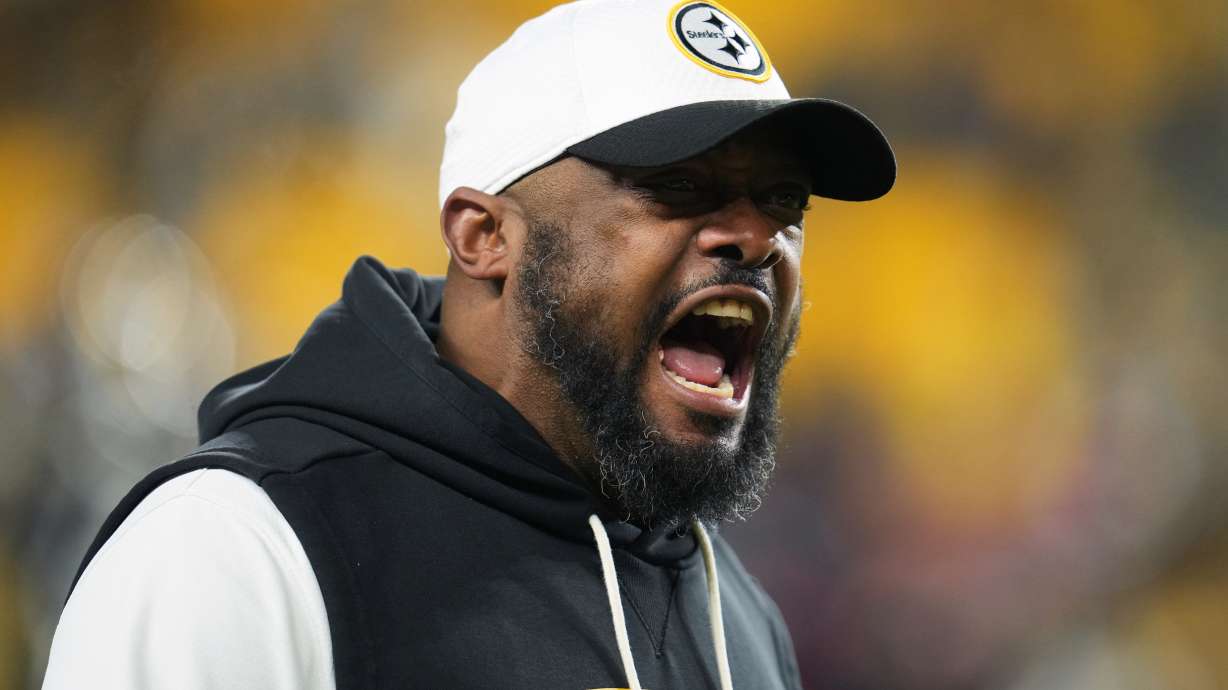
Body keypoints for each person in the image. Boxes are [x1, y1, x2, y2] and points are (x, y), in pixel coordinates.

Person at [42, 0, 894, 687]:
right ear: (483, 236)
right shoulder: (240, 551)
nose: (754, 238)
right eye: (674, 186)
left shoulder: (732, 609)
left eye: (785, 205)